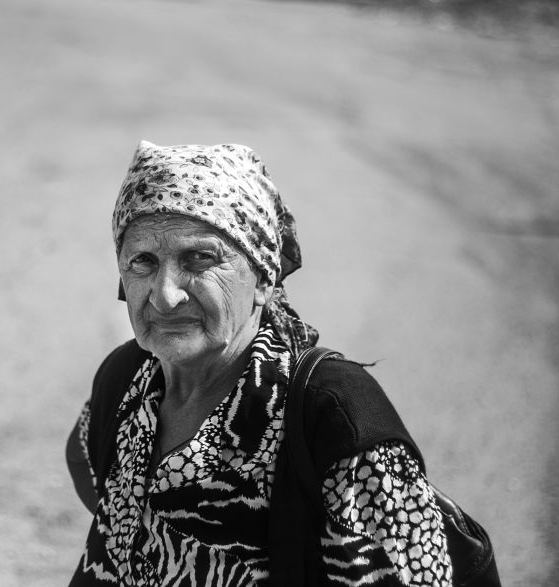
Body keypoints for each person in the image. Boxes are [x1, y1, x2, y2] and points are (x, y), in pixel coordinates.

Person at [65, 140, 453, 586]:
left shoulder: (335, 419)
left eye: (200, 258)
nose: (165, 295)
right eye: (143, 262)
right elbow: (85, 461)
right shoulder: (127, 376)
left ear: (264, 277)